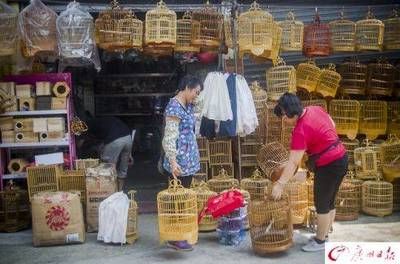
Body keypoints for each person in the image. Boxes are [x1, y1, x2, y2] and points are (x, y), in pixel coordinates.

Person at [271, 92, 348, 252]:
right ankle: (325, 235)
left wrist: (280, 184)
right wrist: (322, 140)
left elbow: (293, 162)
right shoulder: (315, 109)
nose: (284, 120)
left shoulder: (300, 130)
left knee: (321, 204)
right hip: (341, 157)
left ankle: (320, 242)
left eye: (285, 116)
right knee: (329, 201)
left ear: (291, 111)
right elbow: (331, 123)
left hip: (329, 165)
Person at [161, 75, 202, 251]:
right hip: (178, 164)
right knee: (175, 201)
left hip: (188, 162)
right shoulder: (174, 107)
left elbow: (199, 107)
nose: (196, 95)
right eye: (195, 91)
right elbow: (169, 136)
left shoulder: (188, 105)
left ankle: (182, 233)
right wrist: (172, 161)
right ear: (186, 87)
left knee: (183, 199)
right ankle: (174, 237)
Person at [87, 115, 133, 191]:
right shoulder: (107, 120)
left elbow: (80, 143)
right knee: (122, 170)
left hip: (115, 140)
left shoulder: (88, 125)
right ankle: (119, 192)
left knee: (107, 168)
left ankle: (110, 193)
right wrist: (129, 154)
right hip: (128, 138)